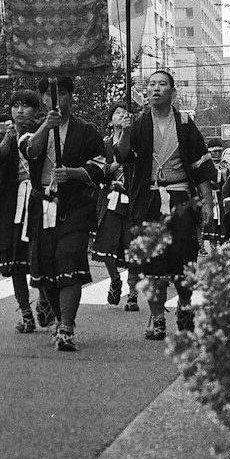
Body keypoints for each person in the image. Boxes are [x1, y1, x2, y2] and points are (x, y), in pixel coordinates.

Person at [115, 69, 216, 341]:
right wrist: (123, 133)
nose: (155, 89)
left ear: (173, 91)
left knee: (184, 259)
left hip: (181, 199)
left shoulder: (185, 124)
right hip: (149, 202)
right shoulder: (137, 124)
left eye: (162, 84)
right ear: (145, 92)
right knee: (153, 265)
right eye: (151, 85)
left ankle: (184, 307)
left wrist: (207, 201)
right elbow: (123, 156)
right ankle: (158, 318)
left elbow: (201, 165)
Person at [23, 77, 108, 353]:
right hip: (43, 205)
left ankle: (67, 326)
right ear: (43, 99)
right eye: (49, 95)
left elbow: (100, 166)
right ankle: (58, 318)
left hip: (75, 205)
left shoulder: (86, 131)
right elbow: (30, 151)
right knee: (46, 267)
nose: (55, 100)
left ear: (71, 96)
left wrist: (72, 173)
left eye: (61, 94)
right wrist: (46, 128)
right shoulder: (33, 129)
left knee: (69, 259)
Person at [0, 90, 43, 331]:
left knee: (41, 257)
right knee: (14, 261)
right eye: (15, 106)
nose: (19, 111)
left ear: (36, 110)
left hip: (39, 201)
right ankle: (25, 311)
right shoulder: (1, 137)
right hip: (12, 206)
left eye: (25, 106)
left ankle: (44, 302)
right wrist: (8, 139)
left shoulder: (44, 132)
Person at [93, 102, 139, 310]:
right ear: (110, 121)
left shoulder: (135, 141)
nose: (121, 116)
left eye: (124, 113)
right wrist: (113, 167)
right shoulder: (104, 144)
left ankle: (133, 293)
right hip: (110, 197)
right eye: (116, 113)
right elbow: (96, 169)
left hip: (132, 198)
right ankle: (114, 279)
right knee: (107, 245)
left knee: (132, 246)